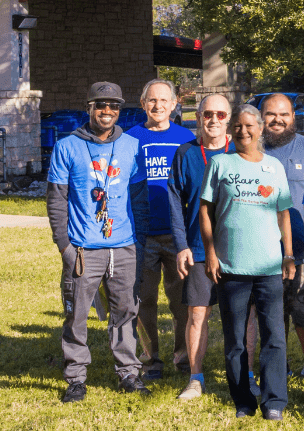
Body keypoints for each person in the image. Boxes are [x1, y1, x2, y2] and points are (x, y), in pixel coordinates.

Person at [48, 81, 151, 402]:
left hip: (124, 246)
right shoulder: (66, 147)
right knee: (76, 315)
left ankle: (129, 373)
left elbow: (139, 198)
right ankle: (76, 378)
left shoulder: (131, 146)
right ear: (89, 108)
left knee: (126, 311)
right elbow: (56, 200)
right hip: (83, 248)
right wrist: (64, 245)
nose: (107, 111)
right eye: (101, 105)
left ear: (120, 110)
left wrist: (138, 242)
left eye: (114, 106)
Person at [200, 104, 297, 420]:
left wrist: (288, 254)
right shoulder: (220, 163)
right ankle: (243, 401)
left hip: (269, 266)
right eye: (238, 126)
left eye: (249, 125)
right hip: (231, 266)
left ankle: (274, 401)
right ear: (232, 130)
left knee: (274, 337)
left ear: (260, 128)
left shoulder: (274, 167)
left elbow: (284, 214)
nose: (243, 131)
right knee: (236, 341)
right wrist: (211, 253)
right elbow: (205, 211)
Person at [125, 78, 194, 381]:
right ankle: (150, 359)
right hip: (142, 235)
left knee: (181, 302)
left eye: (164, 100)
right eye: (152, 100)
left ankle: (183, 356)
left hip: (178, 235)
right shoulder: (129, 139)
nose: (158, 105)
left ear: (174, 104)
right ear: (143, 104)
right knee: (144, 301)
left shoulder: (186, 138)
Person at [168, 94, 236, 399]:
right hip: (197, 248)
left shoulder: (241, 150)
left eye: (221, 114)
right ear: (198, 117)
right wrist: (181, 245)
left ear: (229, 118)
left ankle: (244, 375)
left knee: (243, 316)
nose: (214, 120)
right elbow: (174, 202)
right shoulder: (186, 153)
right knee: (197, 315)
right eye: (208, 114)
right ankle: (195, 378)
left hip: (238, 249)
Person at [262, 93, 304, 379]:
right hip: (263, 253)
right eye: (271, 114)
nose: (277, 120)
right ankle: (277, 366)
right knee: (271, 315)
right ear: (262, 116)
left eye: (284, 114)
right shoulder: (252, 149)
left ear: (293, 117)